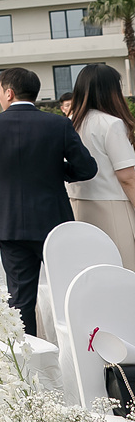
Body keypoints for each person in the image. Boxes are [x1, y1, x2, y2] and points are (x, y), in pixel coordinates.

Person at [0, 66, 97, 334]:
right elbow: (87, 169)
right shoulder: (58, 123)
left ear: (9, 93)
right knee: (68, 292)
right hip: (52, 221)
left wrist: (0, 184)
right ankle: (80, 355)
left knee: (20, 299)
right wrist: (56, 172)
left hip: (8, 222)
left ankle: (27, 362)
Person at [65, 63, 135, 271]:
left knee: (89, 272)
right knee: (124, 271)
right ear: (111, 89)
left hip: (77, 206)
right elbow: (127, 177)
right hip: (113, 207)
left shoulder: (68, 122)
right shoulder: (111, 123)